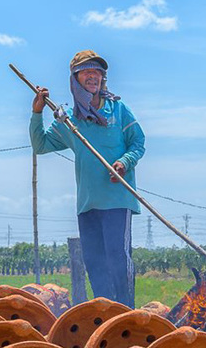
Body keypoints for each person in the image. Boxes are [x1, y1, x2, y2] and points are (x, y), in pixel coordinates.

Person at [30, 50, 145, 308]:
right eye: (86, 71)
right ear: (75, 78)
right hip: (87, 204)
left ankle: (127, 314)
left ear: (103, 78)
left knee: (118, 259)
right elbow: (41, 145)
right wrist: (37, 113)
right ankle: (104, 315)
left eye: (98, 71)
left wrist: (124, 163)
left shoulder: (118, 109)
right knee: (94, 263)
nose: (93, 75)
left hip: (117, 200)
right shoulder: (69, 119)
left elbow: (138, 142)